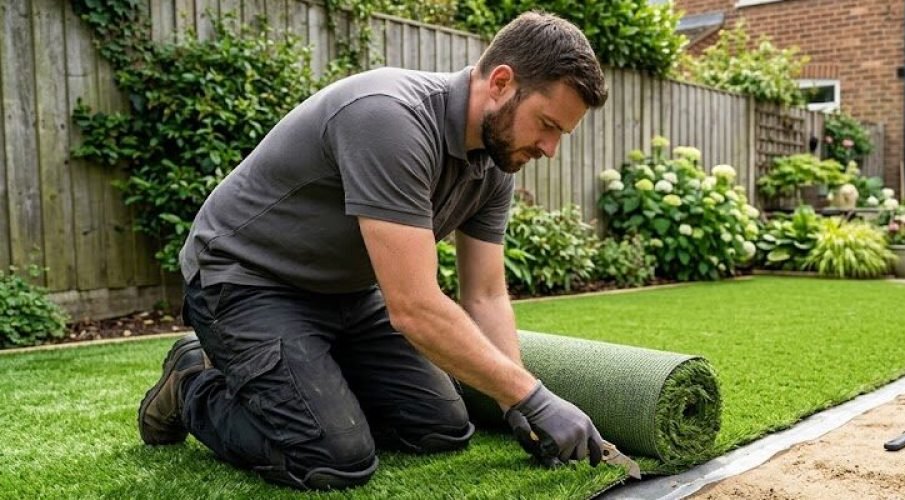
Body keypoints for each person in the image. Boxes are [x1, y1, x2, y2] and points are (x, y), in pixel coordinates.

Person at [136, 11, 609, 490]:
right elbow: (414, 308)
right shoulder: (389, 117)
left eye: (560, 135)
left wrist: (515, 405)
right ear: (502, 83)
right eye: (546, 124)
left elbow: (485, 296)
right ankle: (192, 380)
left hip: (347, 293)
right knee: (333, 458)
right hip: (245, 280)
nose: (549, 148)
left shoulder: (494, 169)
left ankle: (313, 386)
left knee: (442, 427)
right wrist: (536, 396)